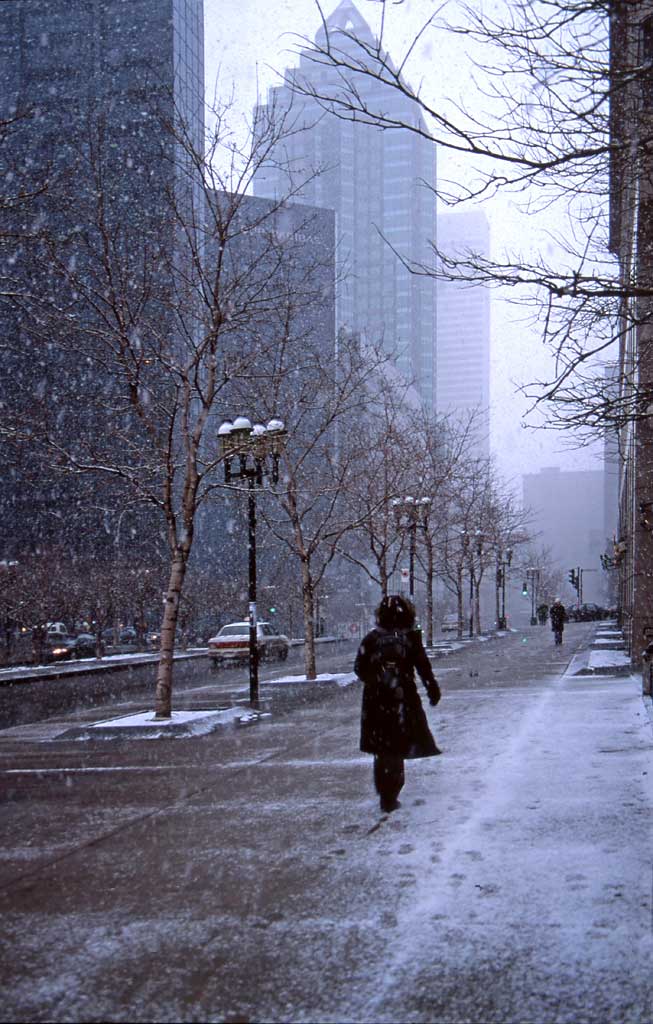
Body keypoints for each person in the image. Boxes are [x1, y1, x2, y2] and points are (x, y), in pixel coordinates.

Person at [354, 594, 442, 814]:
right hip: (403, 699)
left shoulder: (372, 639)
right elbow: (423, 666)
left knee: (382, 748)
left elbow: (359, 668)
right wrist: (432, 688)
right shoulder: (410, 638)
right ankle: (392, 791)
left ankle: (384, 790)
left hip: (376, 701)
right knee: (398, 746)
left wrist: (376, 679)